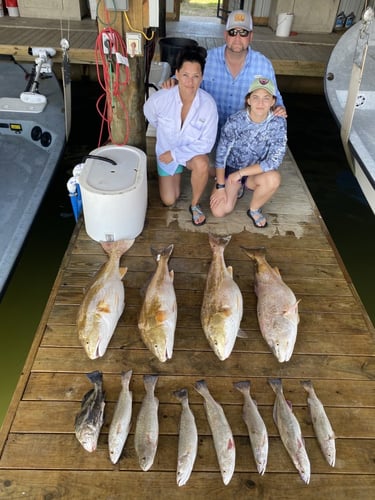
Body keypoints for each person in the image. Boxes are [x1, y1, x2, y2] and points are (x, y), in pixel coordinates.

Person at [163, 9, 286, 135]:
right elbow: (184, 78)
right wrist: (173, 81)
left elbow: (275, 99)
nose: (237, 38)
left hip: (243, 138)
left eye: (243, 33)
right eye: (233, 32)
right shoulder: (206, 59)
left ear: (251, 36)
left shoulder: (263, 65)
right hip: (207, 132)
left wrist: (279, 109)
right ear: (225, 35)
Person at [144, 46, 218, 226]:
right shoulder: (162, 97)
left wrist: (176, 154)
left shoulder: (208, 105)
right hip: (166, 153)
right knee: (169, 200)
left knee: (201, 163)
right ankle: (213, 172)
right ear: (176, 74)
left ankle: (195, 204)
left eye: (195, 76)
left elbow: (206, 144)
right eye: (185, 75)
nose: (190, 82)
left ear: (202, 77)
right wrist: (169, 147)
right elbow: (150, 114)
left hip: (190, 154)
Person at [210, 76, 287, 228]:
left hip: (254, 173)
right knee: (219, 211)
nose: (260, 103)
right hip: (231, 170)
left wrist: (241, 173)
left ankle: (254, 209)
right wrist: (220, 186)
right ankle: (234, 187)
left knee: (273, 178)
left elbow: (273, 161)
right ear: (248, 100)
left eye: (266, 98)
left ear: (273, 102)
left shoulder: (278, 123)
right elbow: (221, 155)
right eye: (255, 97)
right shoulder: (235, 121)